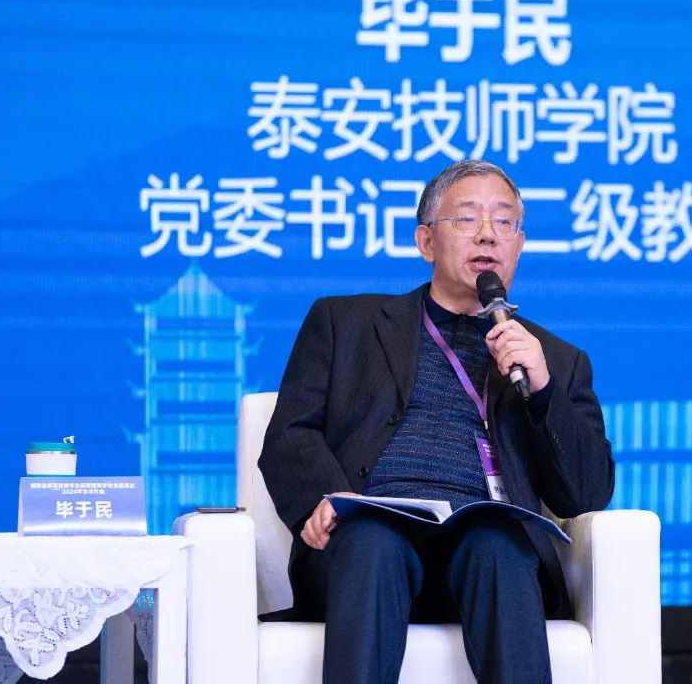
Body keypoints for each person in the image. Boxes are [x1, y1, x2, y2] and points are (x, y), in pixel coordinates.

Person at [259, 159, 614, 684]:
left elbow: (586, 493)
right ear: (426, 242)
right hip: (369, 540)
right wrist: (325, 500)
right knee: (373, 541)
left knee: (498, 545)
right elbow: (290, 432)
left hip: (485, 547)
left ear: (519, 245)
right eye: (467, 218)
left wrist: (543, 393)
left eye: (504, 221)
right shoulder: (343, 323)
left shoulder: (555, 360)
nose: (488, 234)